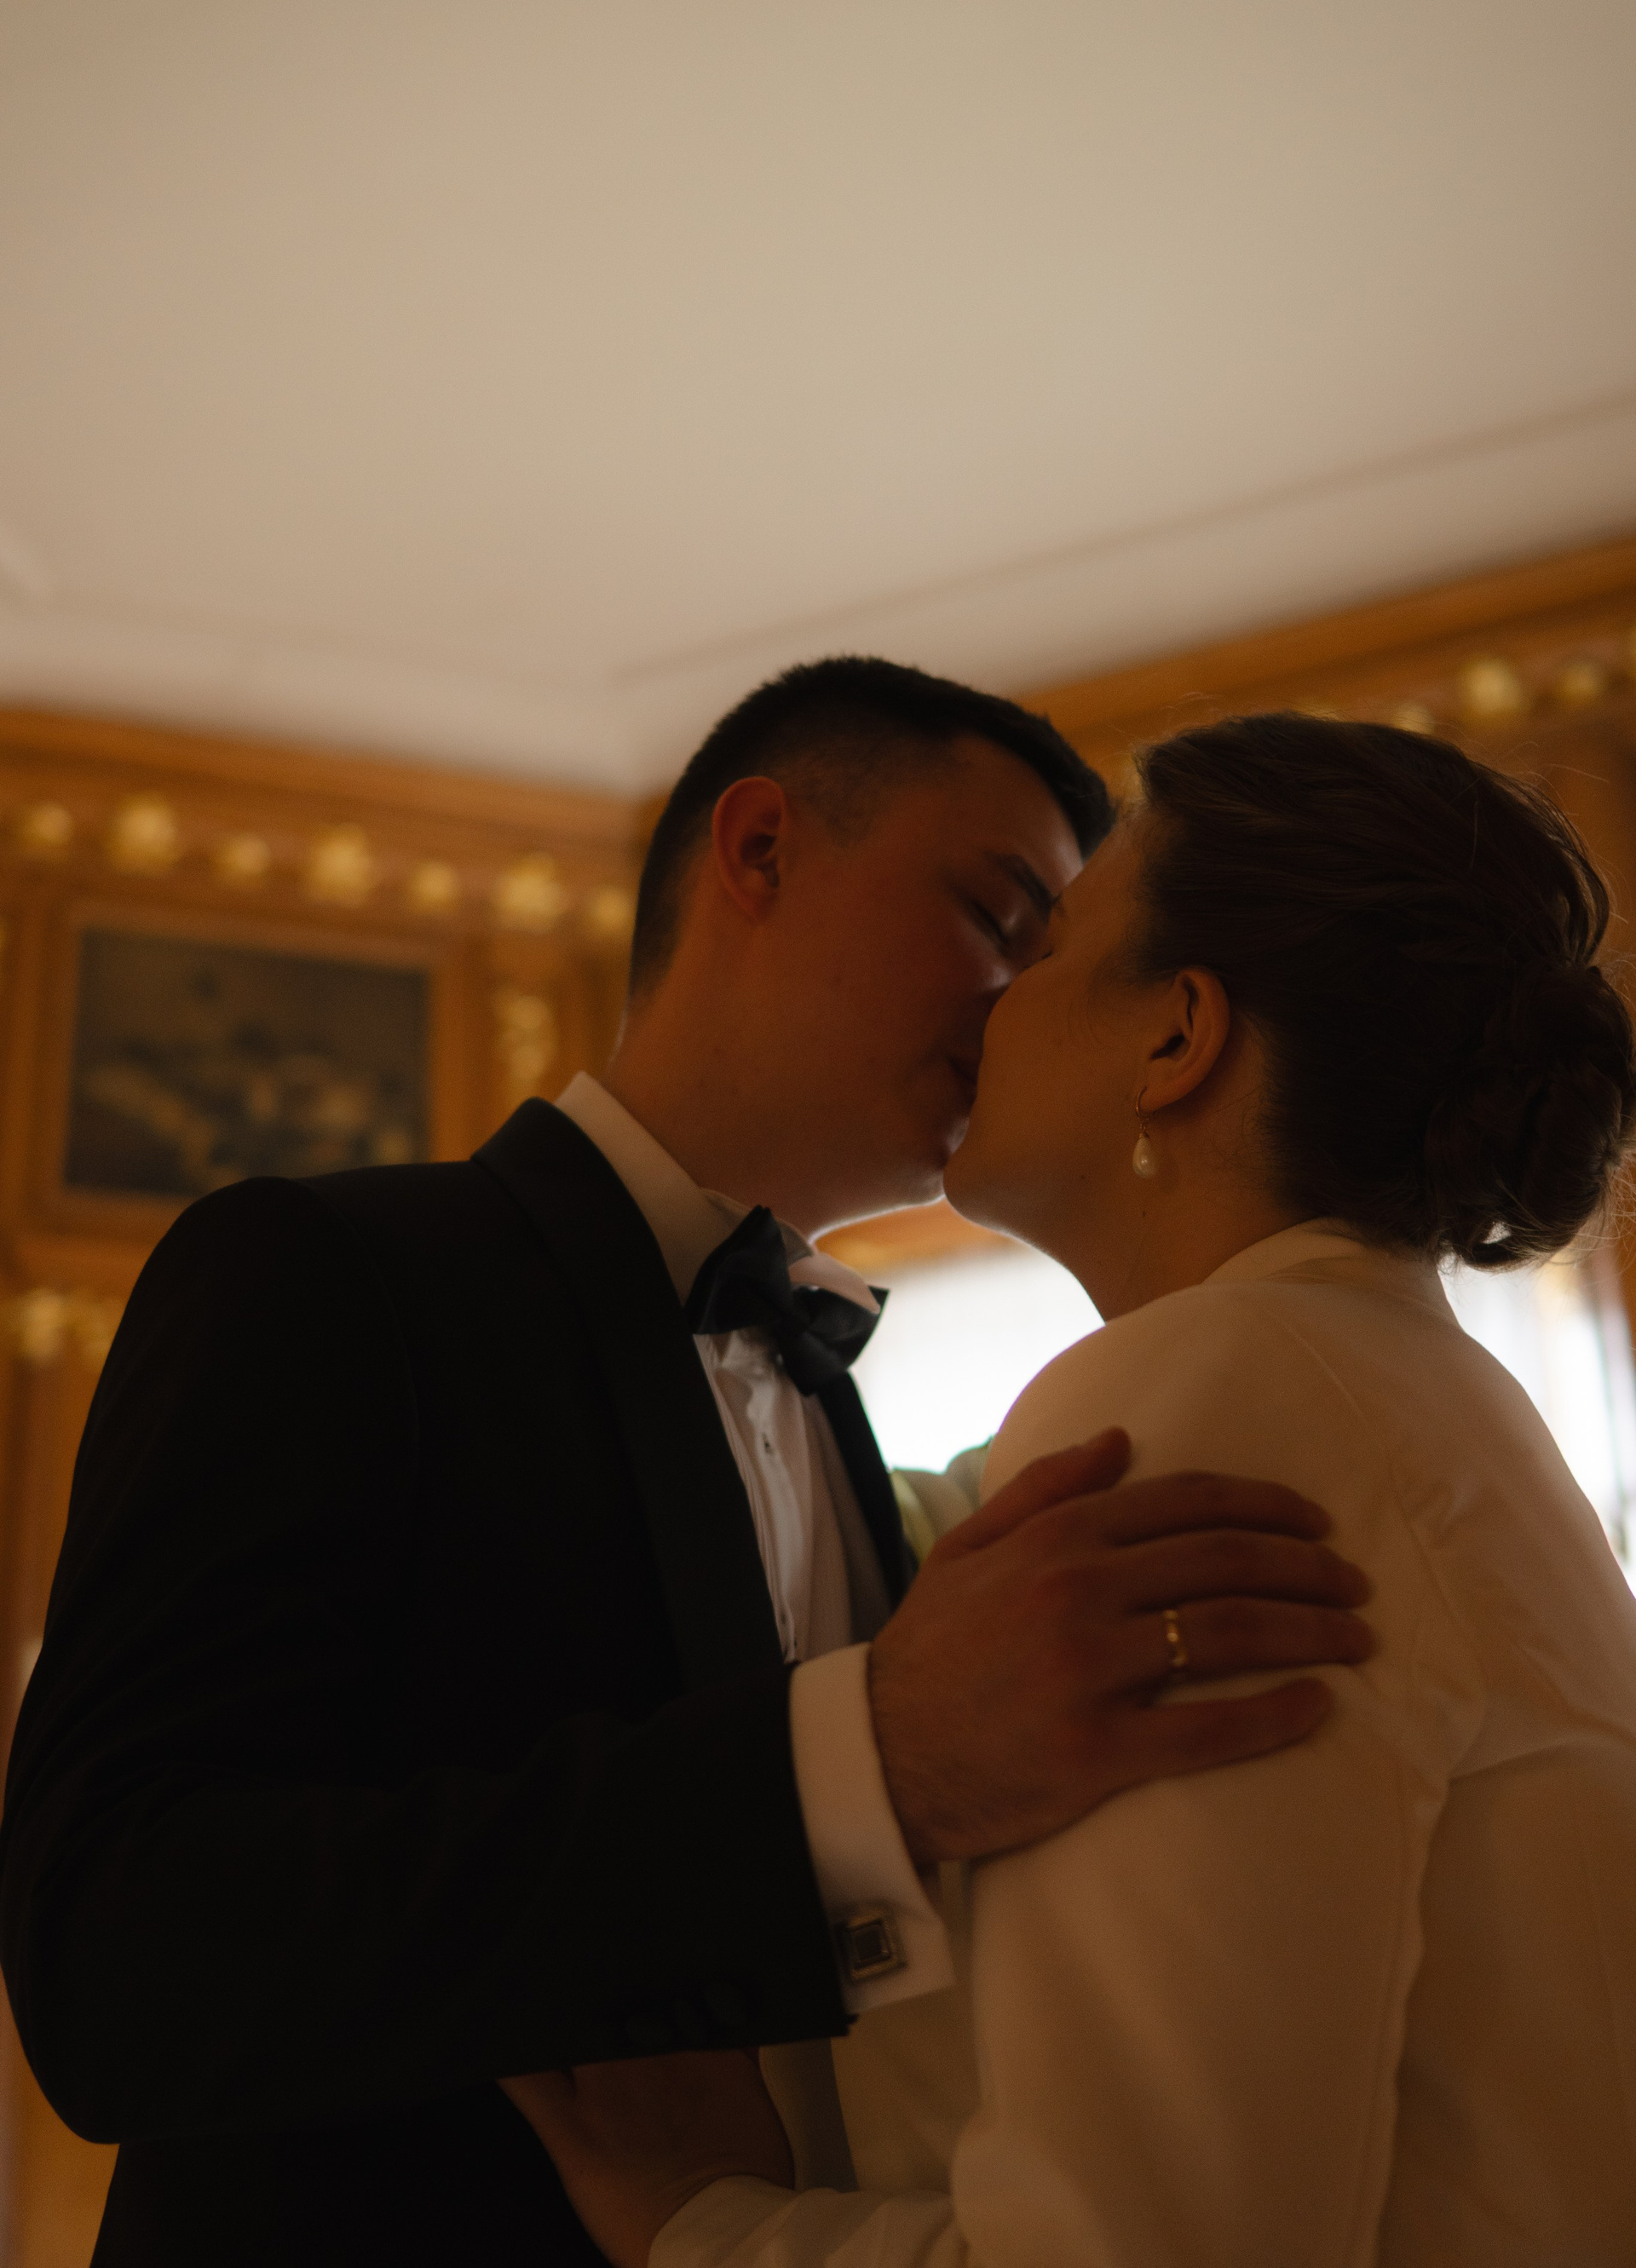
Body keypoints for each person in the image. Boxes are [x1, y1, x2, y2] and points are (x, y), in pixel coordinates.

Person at [0, 665, 1371, 2268]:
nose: (1019, 1006)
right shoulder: (324, 1276)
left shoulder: (845, 1416)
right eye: (1000, 919)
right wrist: (866, 1763)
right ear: (761, 849)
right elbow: (118, 1962)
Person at [508, 711, 1636, 2267]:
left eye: (1044, 945)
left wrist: (701, 2224)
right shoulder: (1426, 1403)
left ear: (1179, 1037)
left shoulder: (1208, 1391)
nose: (990, 1001)